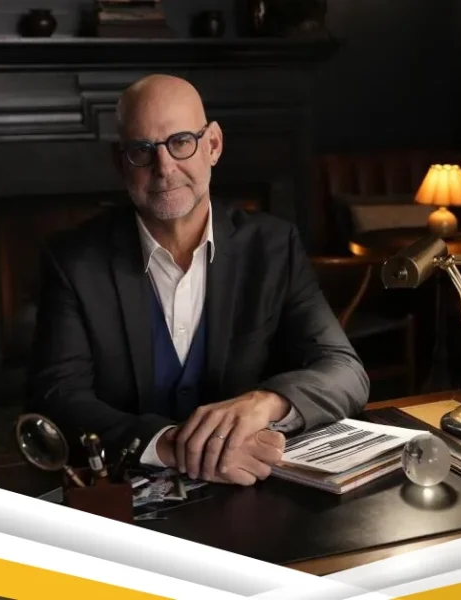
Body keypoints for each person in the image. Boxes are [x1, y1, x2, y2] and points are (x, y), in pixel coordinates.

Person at [26, 74, 369, 486]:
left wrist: (265, 403)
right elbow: (57, 398)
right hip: (124, 492)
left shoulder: (273, 246)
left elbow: (344, 370)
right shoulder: (73, 260)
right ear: (120, 162)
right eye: (142, 150)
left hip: (252, 490)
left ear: (213, 145)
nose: (164, 168)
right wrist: (169, 444)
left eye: (181, 141)